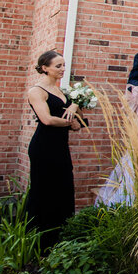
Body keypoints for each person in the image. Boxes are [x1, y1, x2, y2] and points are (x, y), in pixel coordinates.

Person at [25, 50, 83, 250]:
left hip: (60, 146)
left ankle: (61, 237)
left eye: (63, 65)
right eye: (58, 66)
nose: (62, 69)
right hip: (43, 146)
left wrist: (75, 107)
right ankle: (39, 241)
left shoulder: (61, 91)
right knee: (44, 190)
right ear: (44, 68)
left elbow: (71, 112)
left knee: (63, 188)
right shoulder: (37, 91)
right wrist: (70, 123)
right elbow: (47, 119)